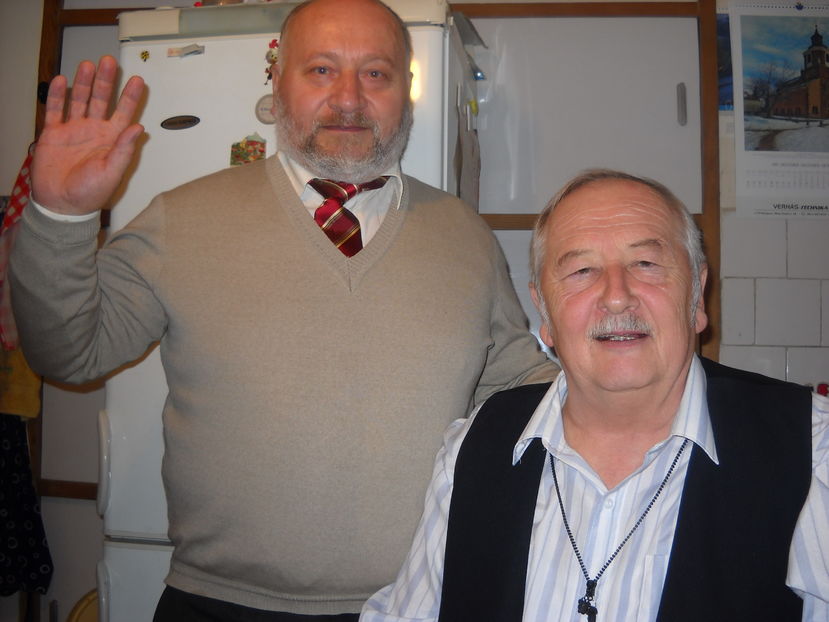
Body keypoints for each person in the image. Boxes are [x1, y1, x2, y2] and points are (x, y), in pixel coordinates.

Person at [9, 0, 559, 620]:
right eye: (321, 70)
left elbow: (518, 384)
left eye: (375, 73)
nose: (348, 99)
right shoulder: (181, 219)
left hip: (419, 601)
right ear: (277, 84)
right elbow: (70, 353)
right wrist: (59, 216)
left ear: (405, 92)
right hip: (217, 606)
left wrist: (623, 375)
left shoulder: (465, 236)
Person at [361, 169, 829, 622]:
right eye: (582, 270)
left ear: (696, 296)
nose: (617, 296)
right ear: (544, 312)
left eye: (646, 264)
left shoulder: (812, 450)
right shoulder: (472, 447)